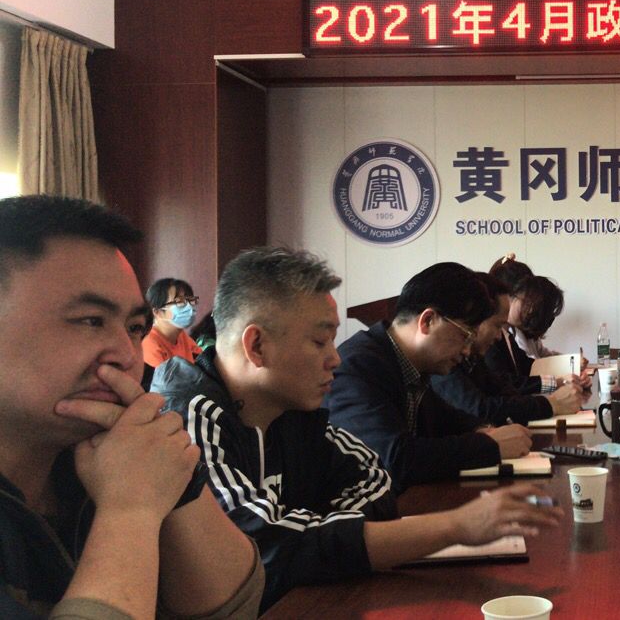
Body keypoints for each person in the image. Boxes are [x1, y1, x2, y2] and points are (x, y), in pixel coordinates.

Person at [154, 247, 560, 611]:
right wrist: (457, 526)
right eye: (320, 342)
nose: (335, 358)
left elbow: (376, 481)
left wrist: (312, 535)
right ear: (257, 346)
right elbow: (263, 547)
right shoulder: (188, 420)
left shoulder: (293, 409)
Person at [0, 195, 262, 619]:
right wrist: (130, 510)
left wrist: (168, 472)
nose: (128, 356)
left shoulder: (103, 457)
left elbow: (234, 606)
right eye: (91, 320)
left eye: (134, 328)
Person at [326, 262, 534, 493]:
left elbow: (447, 418)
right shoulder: (358, 366)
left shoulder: (413, 364)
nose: (467, 351)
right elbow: (394, 459)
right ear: (428, 321)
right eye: (465, 335)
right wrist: (490, 445)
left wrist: (484, 429)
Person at [431, 273, 585, 425]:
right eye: (497, 325)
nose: (500, 335)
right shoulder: (444, 358)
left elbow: (506, 390)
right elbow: (480, 408)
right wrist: (552, 403)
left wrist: (560, 386)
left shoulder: (477, 355)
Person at [142, 277, 204, 368]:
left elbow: (204, 362)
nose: (189, 307)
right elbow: (160, 377)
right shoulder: (149, 343)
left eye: (190, 300)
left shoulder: (181, 336)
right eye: (179, 302)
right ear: (158, 312)